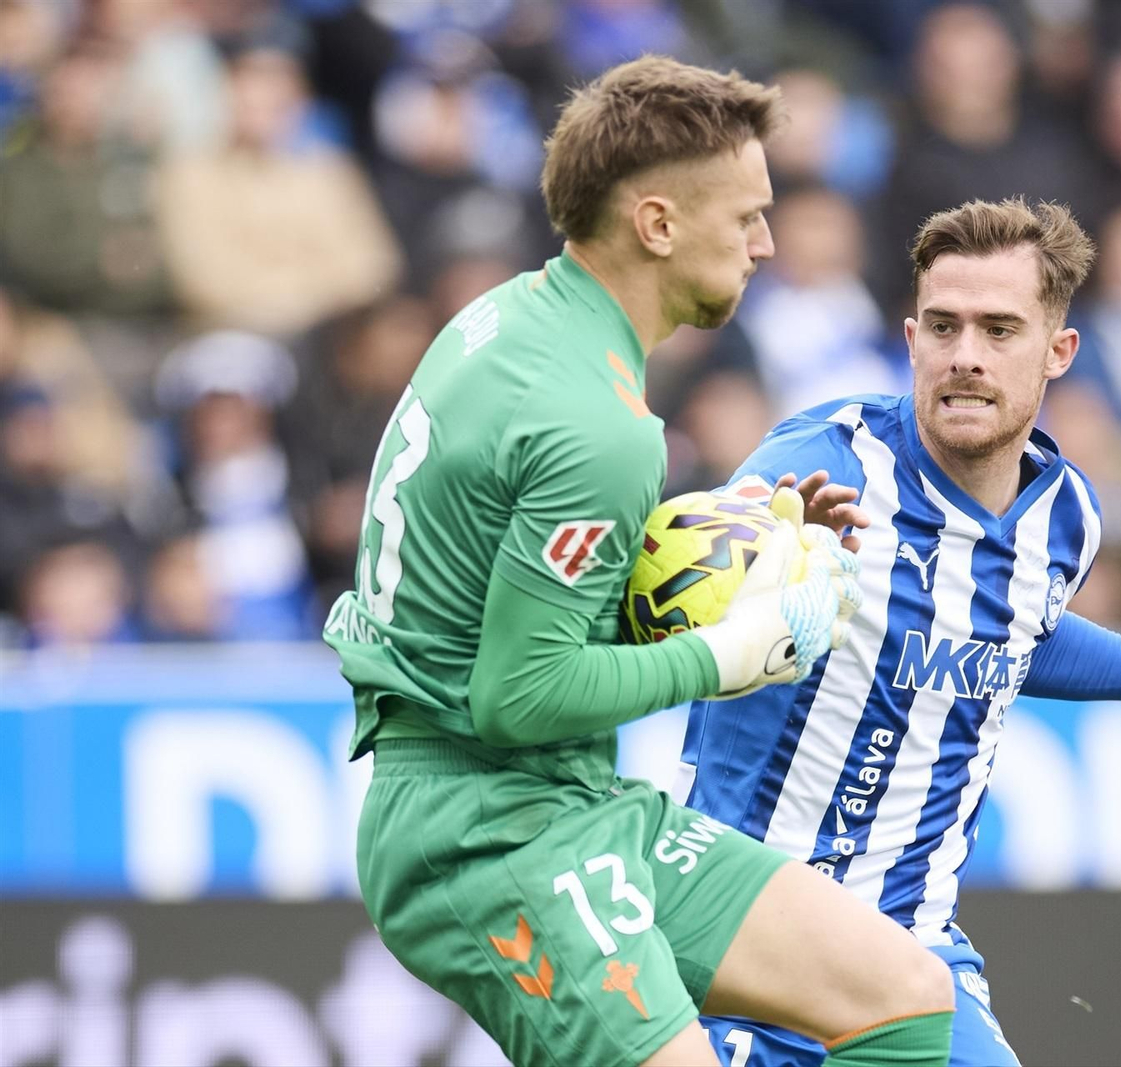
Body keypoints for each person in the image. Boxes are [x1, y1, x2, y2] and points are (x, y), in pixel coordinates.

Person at [321, 57, 958, 1067]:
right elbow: (518, 692)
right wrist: (732, 647)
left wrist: (720, 545)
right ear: (656, 225)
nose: (767, 241)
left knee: (902, 994)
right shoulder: (601, 427)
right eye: (745, 215)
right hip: (486, 833)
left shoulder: (510, 321)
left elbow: (512, 571)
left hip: (557, 800)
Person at [683, 198, 1121, 1066]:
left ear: (1059, 352)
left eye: (999, 328)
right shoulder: (822, 465)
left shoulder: (1067, 518)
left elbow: (1022, 637)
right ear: (910, 341)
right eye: (943, 326)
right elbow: (682, 579)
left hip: (912, 944)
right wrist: (760, 563)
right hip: (750, 937)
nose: (966, 356)